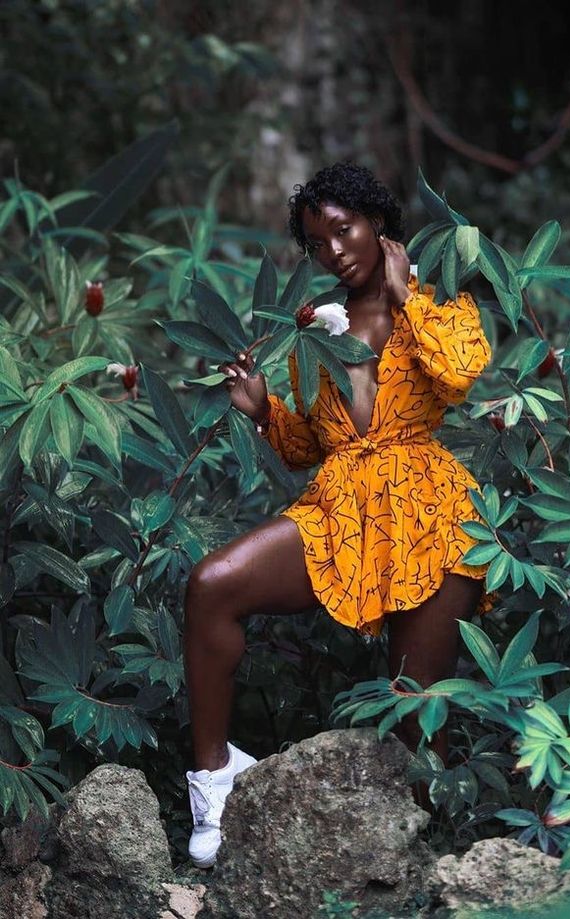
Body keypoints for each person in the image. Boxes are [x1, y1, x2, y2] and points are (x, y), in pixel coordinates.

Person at [183, 162, 495, 868]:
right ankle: (214, 783)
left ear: (377, 224)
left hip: (430, 517)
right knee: (212, 586)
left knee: (417, 720)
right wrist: (266, 412)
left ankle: (424, 876)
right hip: (340, 508)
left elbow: (459, 373)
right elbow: (309, 446)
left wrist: (404, 294)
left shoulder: (438, 301)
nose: (335, 251)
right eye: (318, 243)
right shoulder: (316, 325)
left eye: (344, 230)